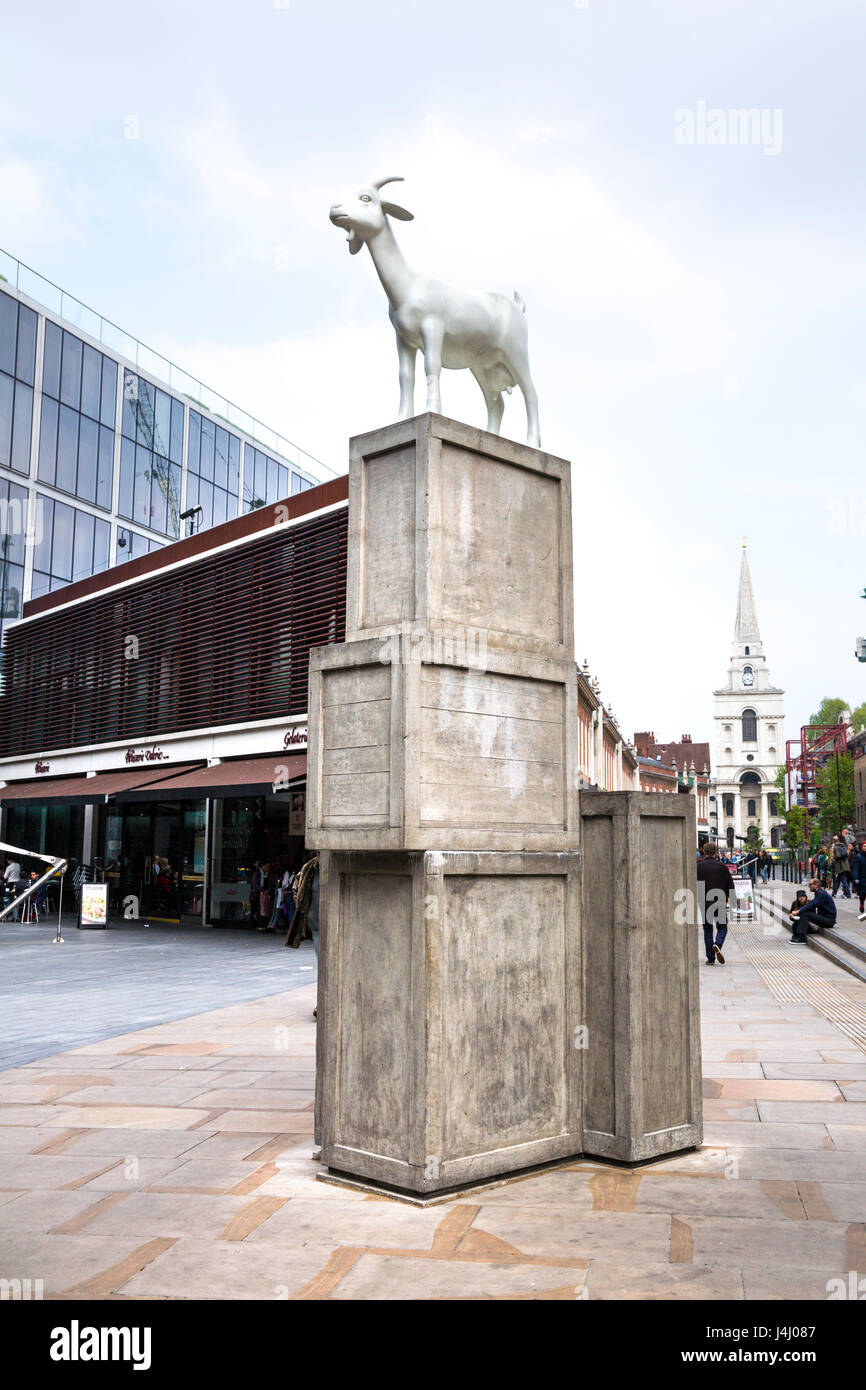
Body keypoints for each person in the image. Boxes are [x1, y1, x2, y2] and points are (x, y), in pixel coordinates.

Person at [696, 841, 734, 965]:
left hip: (704, 902)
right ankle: (717, 944)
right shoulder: (722, 867)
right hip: (720, 901)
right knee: (722, 927)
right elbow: (730, 885)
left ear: (704, 852)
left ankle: (711, 959)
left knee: (707, 930)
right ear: (716, 852)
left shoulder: (698, 867)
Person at [789, 878, 837, 942]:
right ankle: (796, 936)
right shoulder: (819, 893)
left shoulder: (821, 894)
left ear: (816, 885)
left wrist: (798, 911)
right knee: (801, 917)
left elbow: (812, 904)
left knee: (805, 914)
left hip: (829, 921)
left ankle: (802, 938)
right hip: (824, 918)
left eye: (810, 884)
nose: (809, 886)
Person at [851, 840, 866, 919]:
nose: (865, 848)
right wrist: (856, 877)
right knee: (862, 894)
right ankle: (862, 903)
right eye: (864, 846)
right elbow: (855, 868)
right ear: (862, 847)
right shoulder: (859, 856)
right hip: (862, 878)